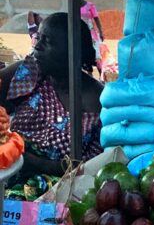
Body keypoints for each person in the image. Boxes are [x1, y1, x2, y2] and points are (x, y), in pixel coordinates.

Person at [0, 12, 103, 178]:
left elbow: (87, 169)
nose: (37, 46)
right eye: (39, 37)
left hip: (57, 188)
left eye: (47, 41)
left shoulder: (97, 102)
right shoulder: (32, 71)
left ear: (72, 52)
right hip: (7, 168)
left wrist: (28, 160)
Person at [80, 0, 104, 72]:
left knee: (96, 54)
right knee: (86, 55)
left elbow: (96, 19)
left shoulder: (90, 6)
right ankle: (89, 75)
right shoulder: (74, 7)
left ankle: (102, 77)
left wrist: (101, 32)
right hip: (81, 34)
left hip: (91, 33)